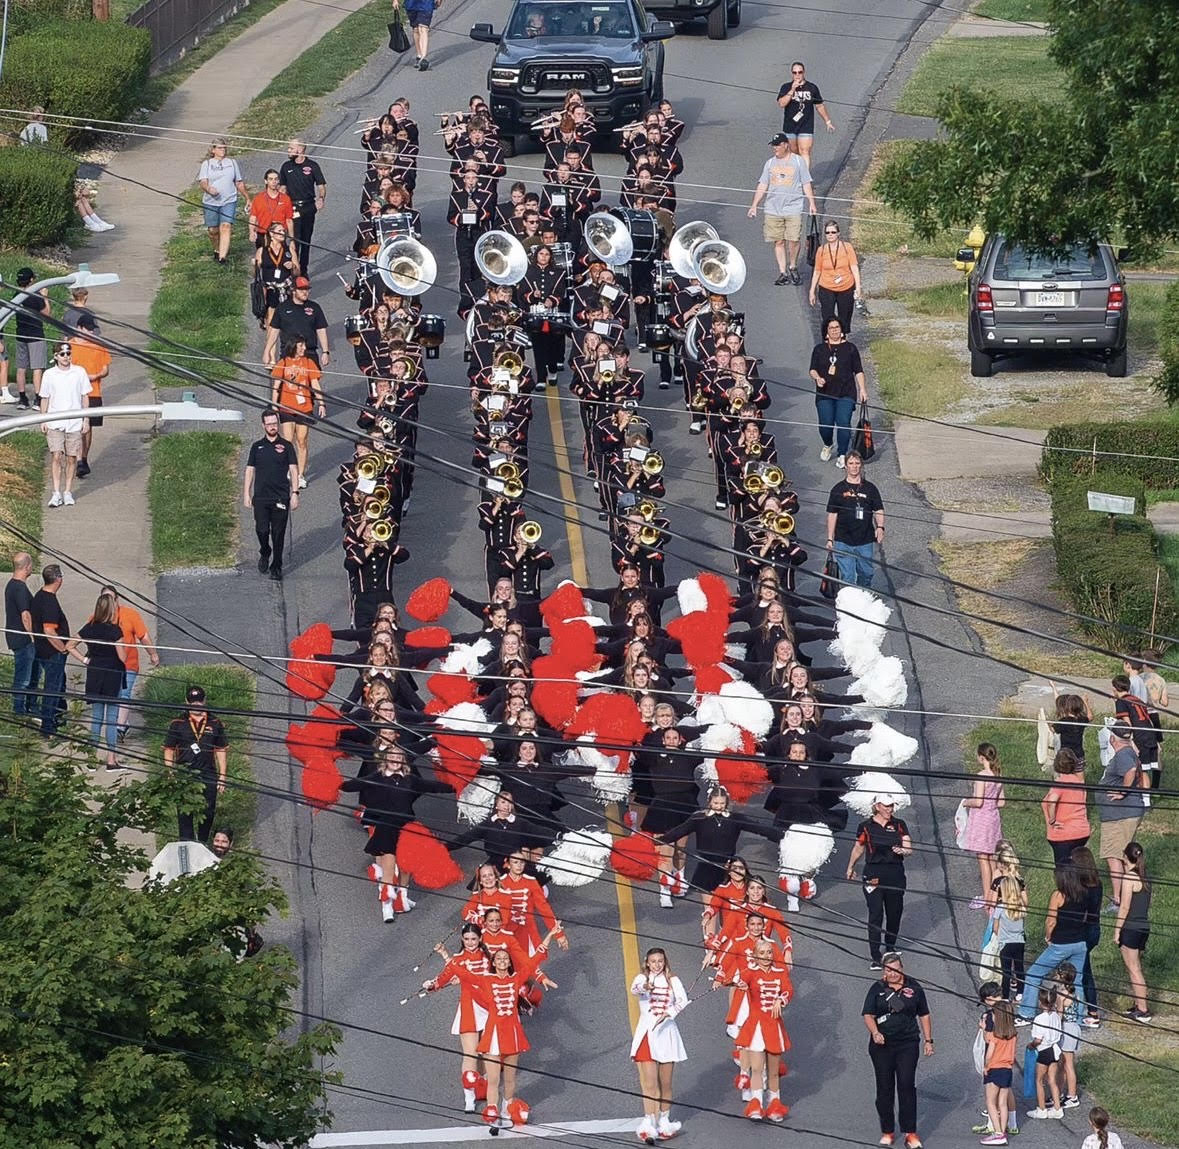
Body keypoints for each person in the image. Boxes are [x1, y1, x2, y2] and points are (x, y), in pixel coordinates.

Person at [432, 922, 565, 1128]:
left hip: (512, 1034)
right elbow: (463, 972)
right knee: (493, 1079)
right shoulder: (486, 980)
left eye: (505, 958)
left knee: (510, 1079)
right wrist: (444, 957)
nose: (502, 961)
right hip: (492, 1034)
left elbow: (532, 962)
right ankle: (493, 1117)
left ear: (508, 962)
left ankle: (506, 1108)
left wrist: (549, 936)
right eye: (499, 959)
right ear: (494, 962)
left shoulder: (515, 979)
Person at [861, 953, 933, 1148]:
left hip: (907, 1044)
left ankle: (910, 1132)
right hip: (882, 1046)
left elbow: (924, 1014)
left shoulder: (914, 987)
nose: (891, 974)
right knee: (885, 1088)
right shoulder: (877, 989)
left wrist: (928, 1041)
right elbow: (868, 1014)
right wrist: (875, 1032)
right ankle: (887, 1130)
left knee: (906, 1085)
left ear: (902, 968)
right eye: (887, 970)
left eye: (894, 970)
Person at [1015, 865, 1090, 1024]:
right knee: (1077, 980)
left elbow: (1051, 921)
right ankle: (1078, 1017)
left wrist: (1049, 937)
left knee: (1034, 974)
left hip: (1061, 943)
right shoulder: (1084, 894)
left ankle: (1027, 1012)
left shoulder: (1058, 895)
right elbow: (1085, 918)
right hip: (1080, 943)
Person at [630, 947, 688, 1140]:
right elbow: (635, 989)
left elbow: (683, 1001)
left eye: (660, 961)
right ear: (647, 962)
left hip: (667, 1034)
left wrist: (668, 1013)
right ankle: (649, 1121)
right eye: (653, 961)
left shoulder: (674, 980)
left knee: (666, 1082)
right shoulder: (641, 979)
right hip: (647, 1034)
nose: (657, 964)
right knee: (649, 1082)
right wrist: (646, 987)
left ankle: (664, 1120)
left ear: (665, 962)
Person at [846, 798, 911, 969]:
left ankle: (890, 947)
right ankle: (875, 956)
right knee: (875, 913)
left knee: (894, 911)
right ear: (877, 806)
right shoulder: (866, 826)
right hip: (873, 873)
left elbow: (909, 848)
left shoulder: (899, 824)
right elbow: (858, 847)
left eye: (891, 805)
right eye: (886, 805)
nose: (890, 809)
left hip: (895, 873)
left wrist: (903, 850)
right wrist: (850, 867)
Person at [746, 133, 817, 286]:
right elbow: (763, 184)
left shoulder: (798, 162)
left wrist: (812, 203)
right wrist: (754, 205)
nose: (775, 148)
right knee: (778, 241)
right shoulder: (770, 164)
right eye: (773, 145)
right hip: (773, 209)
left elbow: (806, 183)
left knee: (794, 240)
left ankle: (793, 266)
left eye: (778, 145)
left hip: (793, 207)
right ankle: (782, 272)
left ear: (786, 145)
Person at [162, 684, 229, 843]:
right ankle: (186, 843)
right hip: (185, 772)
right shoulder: (178, 722)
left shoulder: (215, 722)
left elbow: (220, 750)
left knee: (208, 809)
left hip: (208, 772)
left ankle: (203, 841)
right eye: (193, 702)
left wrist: (222, 777)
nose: (196, 705)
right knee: (185, 812)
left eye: (199, 702)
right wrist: (170, 772)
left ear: (204, 701)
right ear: (186, 701)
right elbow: (169, 749)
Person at [98, 583, 159, 743]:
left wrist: (152, 653)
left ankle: (119, 729)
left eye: (112, 599)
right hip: (107, 666)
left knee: (124, 694)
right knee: (112, 695)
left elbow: (143, 635)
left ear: (117, 600)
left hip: (128, 664)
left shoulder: (130, 615)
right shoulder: (97, 618)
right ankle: (122, 722)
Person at [243, 408, 300, 582]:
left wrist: (295, 492)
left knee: (278, 533)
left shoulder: (287, 446)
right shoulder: (256, 447)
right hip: (261, 497)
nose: (272, 427)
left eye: (275, 423)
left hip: (280, 496)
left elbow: (294, 469)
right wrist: (246, 493)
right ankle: (265, 551)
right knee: (261, 530)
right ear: (263, 426)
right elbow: (250, 470)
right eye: (269, 424)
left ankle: (277, 565)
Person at [1095, 725, 1146, 907]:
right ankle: (1129, 895)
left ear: (1112, 739)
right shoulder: (1129, 752)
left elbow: (1130, 771)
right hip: (1120, 814)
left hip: (1120, 815)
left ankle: (1119, 900)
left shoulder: (1124, 754)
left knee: (1114, 856)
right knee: (1120, 855)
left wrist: (1122, 793)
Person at [77, 591, 127, 771]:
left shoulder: (89, 627)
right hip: (112, 675)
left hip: (94, 674)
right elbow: (122, 657)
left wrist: (84, 659)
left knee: (96, 718)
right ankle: (111, 759)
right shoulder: (115, 631)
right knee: (111, 720)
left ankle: (91, 758)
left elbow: (69, 645)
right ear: (111, 610)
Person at [39, 341, 92, 507]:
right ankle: (56, 492)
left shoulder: (79, 372)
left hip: (74, 422)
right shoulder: (49, 374)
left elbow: (85, 396)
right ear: (56, 356)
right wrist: (43, 418)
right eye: (62, 354)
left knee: (71, 458)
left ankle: (67, 491)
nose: (66, 357)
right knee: (56, 455)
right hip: (55, 421)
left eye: (68, 353)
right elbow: (45, 397)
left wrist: (86, 419)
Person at [270, 335, 327, 488]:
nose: (304, 349)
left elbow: (315, 385)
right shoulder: (283, 363)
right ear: (293, 346)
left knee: (302, 441)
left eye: (304, 346)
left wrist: (321, 403)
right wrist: (274, 406)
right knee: (287, 441)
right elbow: (276, 387)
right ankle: (290, 469)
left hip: (305, 408)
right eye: (300, 346)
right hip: (286, 407)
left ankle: (300, 474)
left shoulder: (309, 363)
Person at [809, 317, 867, 465]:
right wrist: (817, 378)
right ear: (826, 332)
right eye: (831, 328)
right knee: (826, 424)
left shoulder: (850, 348)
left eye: (837, 327)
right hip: (825, 393)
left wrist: (863, 389)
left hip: (846, 392)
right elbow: (812, 369)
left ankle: (842, 453)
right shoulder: (819, 349)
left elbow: (858, 371)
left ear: (842, 331)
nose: (834, 330)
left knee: (843, 422)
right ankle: (828, 444)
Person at [31, 564, 77, 740]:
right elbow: (49, 631)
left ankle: (59, 717)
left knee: (59, 684)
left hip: (42, 649)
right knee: (53, 688)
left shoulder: (39, 596)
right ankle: (48, 726)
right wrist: (63, 648)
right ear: (58, 579)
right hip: (52, 652)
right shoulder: (49, 601)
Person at [825, 451, 884, 588]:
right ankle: (849, 606)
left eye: (857, 463)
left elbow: (879, 509)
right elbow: (832, 514)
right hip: (843, 540)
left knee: (866, 573)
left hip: (865, 540)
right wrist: (830, 538)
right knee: (848, 577)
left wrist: (880, 527)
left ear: (861, 465)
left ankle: (864, 599)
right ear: (845, 466)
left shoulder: (870, 488)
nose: (854, 466)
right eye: (851, 463)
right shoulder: (837, 489)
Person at [961, 742, 1005, 907]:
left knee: (983, 859)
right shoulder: (998, 775)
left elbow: (978, 801)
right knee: (993, 857)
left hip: (981, 820)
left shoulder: (982, 776)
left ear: (981, 757)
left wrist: (966, 802)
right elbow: (1001, 802)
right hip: (993, 818)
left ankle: (987, 897)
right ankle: (996, 893)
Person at [69, 316, 112, 479]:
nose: (90, 331)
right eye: (87, 328)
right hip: (75, 393)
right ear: (79, 328)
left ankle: (83, 458)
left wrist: (95, 375)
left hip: (93, 392)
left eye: (91, 328)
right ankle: (77, 459)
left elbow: (105, 369)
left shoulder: (99, 346)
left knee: (88, 428)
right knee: (76, 426)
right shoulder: (70, 346)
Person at [1113, 840, 1151, 1022]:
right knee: (1134, 968)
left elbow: (1125, 906)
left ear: (1126, 857)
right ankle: (1138, 1004)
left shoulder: (1128, 877)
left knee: (1134, 969)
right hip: (1143, 927)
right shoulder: (1145, 877)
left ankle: (1143, 1009)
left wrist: (1117, 930)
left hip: (1131, 928)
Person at [279, 140, 327, 274]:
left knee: (306, 239)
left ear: (300, 149)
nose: (288, 151)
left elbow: (321, 186)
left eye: (291, 148)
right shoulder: (286, 166)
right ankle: (294, 268)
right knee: (295, 239)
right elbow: (283, 187)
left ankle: (303, 269)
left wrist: (321, 199)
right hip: (292, 207)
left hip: (308, 206)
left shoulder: (312, 166)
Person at [198, 137, 248, 264]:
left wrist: (247, 198)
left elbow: (239, 182)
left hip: (229, 199)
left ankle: (222, 258)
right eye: (220, 148)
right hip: (211, 201)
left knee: (226, 226)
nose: (223, 150)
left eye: (224, 148)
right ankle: (217, 249)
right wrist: (209, 189)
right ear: (213, 150)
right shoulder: (207, 164)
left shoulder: (231, 163)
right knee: (213, 230)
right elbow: (203, 182)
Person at [808, 221, 862, 337]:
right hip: (826, 287)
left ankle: (842, 340)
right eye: (827, 233)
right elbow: (817, 271)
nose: (830, 235)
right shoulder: (821, 250)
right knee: (827, 317)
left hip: (846, 286)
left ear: (838, 233)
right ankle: (828, 341)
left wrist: (858, 287)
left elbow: (854, 267)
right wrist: (812, 290)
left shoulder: (847, 247)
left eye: (833, 232)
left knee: (844, 317)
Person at [263, 276, 331, 368]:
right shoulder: (282, 308)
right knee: (283, 381)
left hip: (309, 352)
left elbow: (321, 330)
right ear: (293, 290)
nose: (305, 292)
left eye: (307, 289)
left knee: (312, 381)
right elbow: (274, 331)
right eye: (301, 289)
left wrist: (325, 352)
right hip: (288, 353)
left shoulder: (315, 307)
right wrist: (267, 352)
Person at [776, 61, 835, 165]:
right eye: (795, 73)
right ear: (792, 73)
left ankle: (804, 179)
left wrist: (827, 121)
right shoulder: (786, 87)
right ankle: (796, 175)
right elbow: (782, 103)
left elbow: (819, 105)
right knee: (793, 153)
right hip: (790, 126)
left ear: (804, 72)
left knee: (804, 151)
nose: (797, 75)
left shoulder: (812, 88)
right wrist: (792, 90)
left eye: (800, 72)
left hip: (806, 125)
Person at [5, 551, 38, 718]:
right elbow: (25, 615)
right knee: (23, 678)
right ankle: (19, 711)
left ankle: (29, 706)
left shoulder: (12, 585)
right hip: (23, 639)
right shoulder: (19, 588)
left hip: (16, 637)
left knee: (30, 674)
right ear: (27, 567)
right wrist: (32, 636)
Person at [1042, 749, 1090, 864]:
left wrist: (1052, 820)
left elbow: (1052, 801)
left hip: (1063, 834)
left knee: (1064, 874)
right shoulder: (1079, 783)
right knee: (1079, 870)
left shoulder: (1060, 783)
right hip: (1082, 832)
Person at [980, 997, 1016, 1146]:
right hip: (1007, 1069)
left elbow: (989, 1053)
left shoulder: (995, 1034)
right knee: (1002, 1103)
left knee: (990, 1102)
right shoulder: (1013, 1034)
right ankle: (1003, 1129)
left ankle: (998, 1133)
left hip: (994, 1069)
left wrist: (986, 1066)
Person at [12, 266, 50, 410]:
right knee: (37, 368)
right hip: (35, 335)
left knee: (21, 367)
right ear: (31, 280)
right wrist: (45, 296)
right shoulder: (35, 296)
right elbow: (46, 314)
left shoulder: (17, 294)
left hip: (20, 334)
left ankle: (22, 399)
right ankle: (38, 399)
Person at [1025, 986, 1063, 1120]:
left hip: (1044, 1051)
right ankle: (1057, 1108)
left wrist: (1031, 1045)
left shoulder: (1039, 1019)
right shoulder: (1056, 1017)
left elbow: (1038, 1040)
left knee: (1039, 1080)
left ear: (1040, 1002)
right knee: (1052, 1080)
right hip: (1055, 1050)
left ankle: (1041, 1109)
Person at [990, 875, 1026, 1003]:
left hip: (1005, 943)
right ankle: (1020, 993)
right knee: (1019, 968)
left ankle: (1005, 996)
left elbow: (995, 927)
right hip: (1019, 942)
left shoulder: (1000, 908)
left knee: (1006, 971)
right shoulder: (1020, 907)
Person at [247, 168, 294, 246]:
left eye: (276, 179)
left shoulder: (285, 199)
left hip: (280, 234)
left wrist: (292, 239)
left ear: (279, 181)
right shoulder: (258, 198)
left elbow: (289, 220)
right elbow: (253, 218)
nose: (273, 182)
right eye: (271, 179)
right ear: (266, 181)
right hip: (263, 234)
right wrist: (251, 232)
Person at [394, 0, 436, 69]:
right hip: (411, 4)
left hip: (426, 4)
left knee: (423, 28)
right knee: (416, 29)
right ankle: (419, 55)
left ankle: (423, 57)